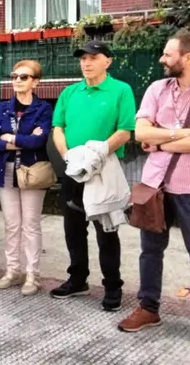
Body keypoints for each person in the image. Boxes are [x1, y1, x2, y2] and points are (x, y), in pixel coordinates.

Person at [51, 40, 136, 312]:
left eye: (93, 57)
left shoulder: (121, 90)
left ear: (107, 61)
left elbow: (124, 131)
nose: (86, 63)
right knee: (73, 229)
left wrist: (96, 155)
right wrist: (69, 158)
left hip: (104, 170)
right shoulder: (69, 92)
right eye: (83, 59)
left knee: (106, 231)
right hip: (73, 171)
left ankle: (112, 286)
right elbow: (58, 129)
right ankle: (78, 280)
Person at [118, 30, 190, 332]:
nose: (162, 58)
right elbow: (142, 133)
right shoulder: (157, 88)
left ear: (187, 58)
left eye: (168, 54)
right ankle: (149, 308)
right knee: (150, 250)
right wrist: (177, 137)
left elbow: (152, 135)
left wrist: (159, 139)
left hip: (188, 187)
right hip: (154, 185)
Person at [0, 60, 53, 296]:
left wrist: (11, 138)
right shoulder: (2, 107)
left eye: (24, 77)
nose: (17, 80)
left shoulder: (43, 108)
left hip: (32, 171)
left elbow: (39, 140)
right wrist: (22, 140)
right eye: (14, 76)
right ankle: (12, 270)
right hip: (5, 171)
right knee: (12, 223)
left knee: (31, 224)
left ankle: (32, 274)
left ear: (35, 82)